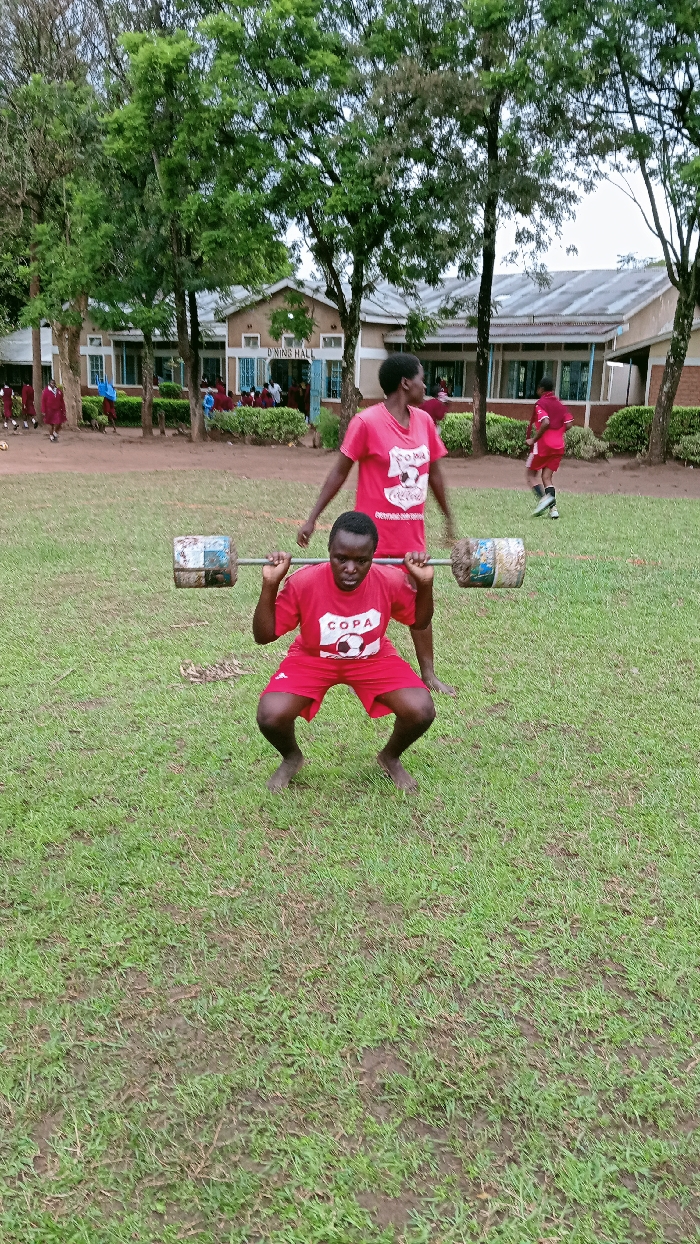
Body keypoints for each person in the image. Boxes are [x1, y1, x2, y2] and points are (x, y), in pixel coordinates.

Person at [297, 352, 457, 696]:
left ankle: (428, 675)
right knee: (355, 604)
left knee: (418, 606)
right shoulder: (366, 423)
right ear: (405, 383)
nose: (425, 385)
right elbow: (339, 472)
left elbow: (435, 475)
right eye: (422, 378)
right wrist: (312, 518)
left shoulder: (424, 422)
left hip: (410, 539)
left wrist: (447, 517)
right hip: (369, 544)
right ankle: (339, 666)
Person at [255, 510, 436, 793]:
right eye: (341, 558)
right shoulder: (304, 582)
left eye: (361, 561)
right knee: (270, 714)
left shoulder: (389, 579)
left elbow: (419, 621)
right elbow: (263, 636)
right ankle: (292, 757)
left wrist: (424, 584)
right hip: (313, 658)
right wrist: (270, 584)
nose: (350, 568)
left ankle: (390, 757)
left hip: (372, 658)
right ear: (329, 551)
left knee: (421, 710)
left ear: (373, 556)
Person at [526, 376, 573, 519]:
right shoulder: (560, 405)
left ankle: (544, 500)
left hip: (543, 446)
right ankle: (553, 510)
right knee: (547, 477)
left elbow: (545, 422)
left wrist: (534, 439)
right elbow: (569, 424)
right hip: (558, 446)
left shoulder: (541, 403)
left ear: (541, 389)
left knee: (530, 475)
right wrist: (557, 433)